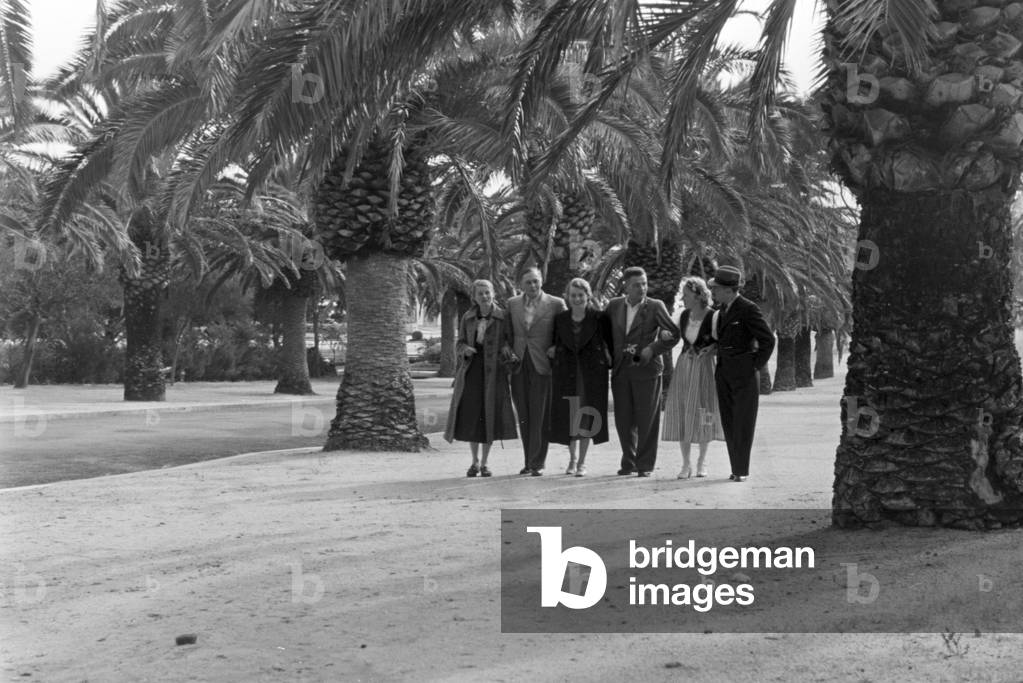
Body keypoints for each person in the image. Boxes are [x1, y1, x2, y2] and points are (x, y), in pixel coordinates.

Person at [606, 266, 680, 477]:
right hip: (620, 370)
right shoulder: (614, 305)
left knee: (647, 419)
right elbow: (602, 332)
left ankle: (645, 465)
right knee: (623, 420)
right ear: (626, 286)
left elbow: (674, 334)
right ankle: (629, 462)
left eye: (644, 284)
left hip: (647, 370)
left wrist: (652, 349)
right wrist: (607, 354)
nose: (642, 288)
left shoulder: (655, 306)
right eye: (636, 285)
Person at [443, 279, 518, 477]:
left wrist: (506, 348)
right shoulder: (467, 317)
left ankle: (485, 463)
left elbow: (511, 340)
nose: (484, 296)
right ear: (474, 297)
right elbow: (459, 343)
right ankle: (474, 462)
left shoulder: (503, 316)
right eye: (480, 293)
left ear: (493, 293)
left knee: (490, 416)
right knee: (472, 417)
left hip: (495, 373)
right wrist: (465, 349)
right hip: (472, 371)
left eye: (487, 292)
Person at [707, 265, 775, 482]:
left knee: (743, 423)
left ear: (729, 290)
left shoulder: (747, 308)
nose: (713, 292)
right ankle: (735, 467)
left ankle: (741, 470)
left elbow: (767, 340)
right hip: (724, 372)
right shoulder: (722, 310)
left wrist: (753, 365)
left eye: (717, 288)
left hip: (744, 375)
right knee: (729, 421)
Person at [547, 278, 613, 476]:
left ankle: (582, 462)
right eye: (573, 295)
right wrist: (553, 351)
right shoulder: (560, 319)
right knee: (569, 415)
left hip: (591, 375)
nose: (577, 299)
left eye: (581, 295)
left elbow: (609, 345)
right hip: (566, 374)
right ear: (567, 297)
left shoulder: (600, 318)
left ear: (588, 296)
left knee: (587, 416)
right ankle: (572, 459)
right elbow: (553, 343)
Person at [661, 277, 725, 479]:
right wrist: (665, 335)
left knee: (704, 412)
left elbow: (722, 341)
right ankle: (686, 463)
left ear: (698, 296)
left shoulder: (713, 316)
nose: (683, 299)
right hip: (684, 367)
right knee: (683, 410)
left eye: (687, 296)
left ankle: (702, 461)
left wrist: (712, 348)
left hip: (704, 368)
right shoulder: (683, 315)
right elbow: (673, 335)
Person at [507, 267, 567, 476]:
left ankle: (538, 462)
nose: (532, 285)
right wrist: (507, 351)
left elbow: (566, 332)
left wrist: (556, 347)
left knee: (540, 415)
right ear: (521, 285)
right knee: (524, 415)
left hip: (542, 365)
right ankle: (528, 461)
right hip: (519, 365)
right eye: (528, 282)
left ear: (542, 281)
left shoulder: (556, 303)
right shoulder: (512, 304)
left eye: (535, 281)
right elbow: (506, 333)